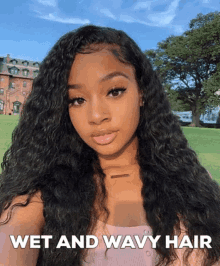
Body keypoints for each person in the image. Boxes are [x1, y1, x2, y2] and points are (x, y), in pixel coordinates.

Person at [0, 25, 219, 266]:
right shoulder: (40, 196)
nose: (96, 115)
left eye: (114, 91)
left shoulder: (194, 183)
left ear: (142, 92)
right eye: (77, 99)